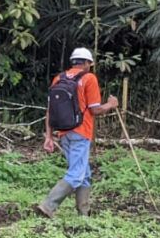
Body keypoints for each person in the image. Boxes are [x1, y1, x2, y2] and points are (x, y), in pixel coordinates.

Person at [33, 47, 119, 218]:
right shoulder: (89, 78)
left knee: (84, 173)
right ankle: (48, 206)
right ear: (87, 63)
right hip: (81, 132)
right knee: (76, 174)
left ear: (73, 61)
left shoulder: (59, 78)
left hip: (63, 133)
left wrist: (49, 136)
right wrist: (111, 105)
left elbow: (50, 111)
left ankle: (84, 214)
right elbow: (95, 110)